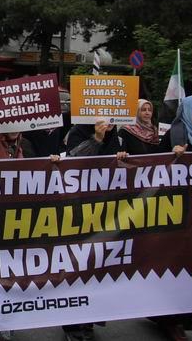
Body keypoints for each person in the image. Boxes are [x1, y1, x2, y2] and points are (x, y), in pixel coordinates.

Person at [155, 95, 192, 341]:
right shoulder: (174, 137)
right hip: (173, 215)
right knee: (174, 266)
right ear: (188, 113)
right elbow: (153, 168)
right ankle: (170, 320)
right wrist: (172, 155)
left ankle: (176, 317)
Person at [62, 119, 127, 341]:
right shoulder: (78, 131)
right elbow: (73, 160)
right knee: (75, 265)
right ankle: (71, 324)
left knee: (97, 265)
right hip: (78, 210)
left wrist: (123, 159)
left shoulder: (117, 135)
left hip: (105, 211)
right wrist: (96, 139)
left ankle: (88, 319)